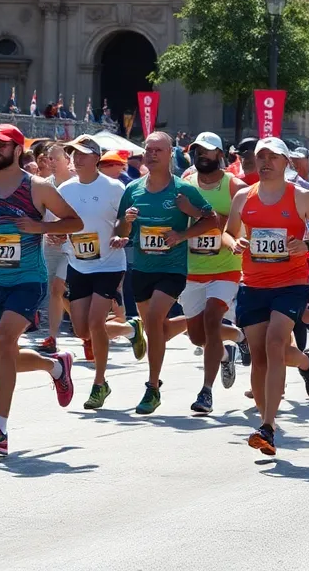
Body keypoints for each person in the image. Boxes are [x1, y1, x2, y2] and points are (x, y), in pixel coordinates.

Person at [0, 124, 84, 455]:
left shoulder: (37, 187)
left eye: (1, 145)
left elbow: (75, 222)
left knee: (4, 342)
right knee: (4, 353)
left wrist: (41, 226)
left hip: (28, 281)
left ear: (16, 149)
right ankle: (55, 366)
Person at [224, 137, 309, 455]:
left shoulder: (300, 196)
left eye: (273, 156)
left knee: (274, 344)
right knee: (259, 356)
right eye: (261, 156)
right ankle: (305, 361)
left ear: (286, 162)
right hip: (253, 284)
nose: (266, 162)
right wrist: (234, 243)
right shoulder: (244, 196)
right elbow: (228, 232)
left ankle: (268, 427)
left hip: (291, 282)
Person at [117, 132, 220, 415]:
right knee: (155, 329)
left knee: (153, 318)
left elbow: (212, 220)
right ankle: (197, 325)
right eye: (148, 149)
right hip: (142, 268)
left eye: (158, 150)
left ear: (170, 153)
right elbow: (121, 230)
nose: (151, 154)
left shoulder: (182, 189)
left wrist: (183, 233)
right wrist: (125, 225)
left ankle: (152, 387)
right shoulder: (133, 189)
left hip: (172, 268)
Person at [57, 135, 144, 410]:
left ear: (97, 158)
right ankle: (130, 328)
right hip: (78, 263)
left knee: (95, 323)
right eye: (73, 153)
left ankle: (99, 383)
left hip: (108, 262)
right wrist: (54, 237)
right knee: (83, 330)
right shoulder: (65, 189)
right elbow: (58, 224)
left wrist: (123, 235)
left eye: (83, 153)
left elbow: (126, 221)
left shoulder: (114, 187)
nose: (77, 158)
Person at [180, 132, 250, 415]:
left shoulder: (235, 187)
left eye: (208, 152)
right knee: (198, 337)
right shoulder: (185, 184)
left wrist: (205, 216)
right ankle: (237, 340)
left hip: (226, 268)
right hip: (191, 269)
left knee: (212, 320)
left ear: (220, 155)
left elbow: (236, 226)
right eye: (197, 151)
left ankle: (206, 392)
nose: (202, 156)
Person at [37, 143, 74, 354]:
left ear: (67, 160)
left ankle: (83, 327)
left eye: (55, 158)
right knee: (55, 291)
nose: (50, 162)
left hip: (72, 246)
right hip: (49, 245)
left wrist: (66, 233)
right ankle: (52, 337)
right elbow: (38, 217)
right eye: (48, 158)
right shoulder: (43, 185)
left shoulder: (76, 184)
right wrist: (46, 233)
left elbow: (85, 219)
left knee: (60, 289)